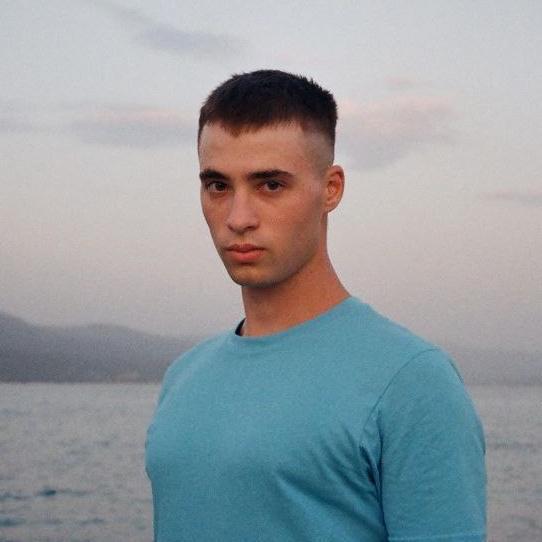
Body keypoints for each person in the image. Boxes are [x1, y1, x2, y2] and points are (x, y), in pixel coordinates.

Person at [145, 69, 486, 542]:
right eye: (218, 186)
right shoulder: (183, 377)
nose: (238, 218)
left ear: (331, 189)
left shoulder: (411, 381)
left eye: (270, 185)